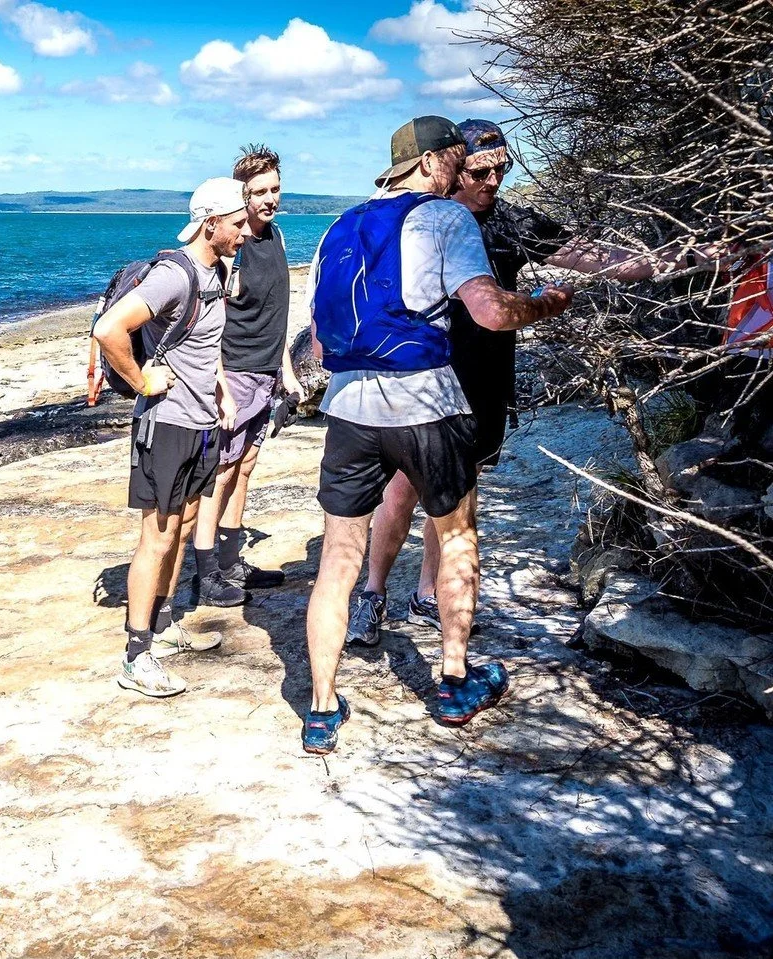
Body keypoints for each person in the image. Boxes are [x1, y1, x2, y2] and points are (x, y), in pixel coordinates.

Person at [346, 118, 727, 647]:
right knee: (404, 487)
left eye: (502, 169)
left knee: (460, 491)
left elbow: (597, 259)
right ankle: (373, 593)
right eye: (481, 170)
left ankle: (429, 595)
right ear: (452, 167)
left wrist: (693, 258)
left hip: (483, 379)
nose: (492, 180)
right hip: (424, 379)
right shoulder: (424, 220)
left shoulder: (509, 221)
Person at [300, 116, 573, 753]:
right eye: (457, 161)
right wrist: (546, 304)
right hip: (427, 402)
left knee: (337, 561)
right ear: (428, 163)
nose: (465, 176)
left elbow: (319, 340)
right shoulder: (445, 219)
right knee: (456, 539)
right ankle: (454, 681)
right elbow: (491, 312)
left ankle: (321, 709)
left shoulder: (337, 228)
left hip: (348, 411)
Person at [93, 177, 250, 697]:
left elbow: (209, 342)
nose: (246, 231)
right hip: (167, 426)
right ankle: (136, 657)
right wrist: (141, 380)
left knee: (181, 531)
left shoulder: (218, 271)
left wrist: (223, 389)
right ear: (212, 224)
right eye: (238, 223)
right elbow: (110, 329)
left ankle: (161, 627)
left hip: (201, 423)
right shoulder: (174, 276)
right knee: (157, 536)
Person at [189, 144, 303, 607]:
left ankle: (233, 560)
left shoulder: (275, 238)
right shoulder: (231, 249)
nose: (269, 199)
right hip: (233, 374)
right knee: (222, 470)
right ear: (242, 195)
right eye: (259, 192)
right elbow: (211, 323)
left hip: (266, 371)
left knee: (247, 467)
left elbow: (278, 311)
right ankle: (207, 572)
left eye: (275, 189)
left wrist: (286, 372)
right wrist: (220, 389)